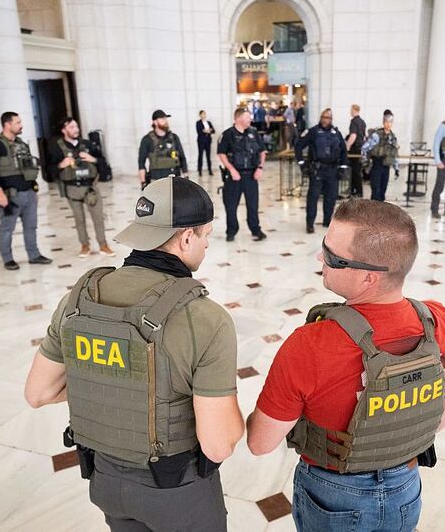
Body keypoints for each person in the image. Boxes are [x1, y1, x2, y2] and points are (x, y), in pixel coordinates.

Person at [24, 177, 244, 532]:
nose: (205, 246)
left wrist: (117, 383)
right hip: (176, 492)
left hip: (105, 483)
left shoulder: (79, 298)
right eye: (206, 236)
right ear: (187, 237)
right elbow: (218, 445)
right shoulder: (206, 318)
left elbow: (38, 393)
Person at [245, 199, 445, 532]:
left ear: (368, 278)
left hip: (333, 495)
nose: (321, 258)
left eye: (333, 257)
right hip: (406, 487)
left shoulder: (311, 344)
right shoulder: (441, 322)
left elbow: (260, 444)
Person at [0, 111, 52, 270]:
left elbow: (29, 169)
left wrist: (34, 190)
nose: (21, 125)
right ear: (7, 124)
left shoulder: (21, 144)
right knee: (7, 228)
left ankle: (34, 255)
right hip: (9, 195)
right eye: (18, 123)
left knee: (31, 226)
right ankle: (8, 259)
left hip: (28, 193)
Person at [47, 117, 115, 258]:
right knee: (79, 219)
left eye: (76, 126)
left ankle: (103, 245)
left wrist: (93, 159)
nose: (75, 129)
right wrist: (61, 165)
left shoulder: (88, 144)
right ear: (63, 130)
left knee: (98, 217)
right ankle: (85, 245)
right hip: (72, 189)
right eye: (71, 127)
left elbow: (105, 165)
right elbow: (49, 170)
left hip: (90, 188)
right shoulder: (56, 147)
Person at [217, 108, 267, 242]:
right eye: (247, 117)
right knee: (231, 206)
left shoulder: (254, 133)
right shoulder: (227, 135)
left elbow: (262, 152)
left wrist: (260, 168)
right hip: (234, 177)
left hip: (251, 175)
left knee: (253, 205)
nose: (250, 119)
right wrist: (232, 170)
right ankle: (231, 231)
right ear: (238, 118)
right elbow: (221, 154)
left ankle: (256, 229)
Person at [296, 108, 349, 233]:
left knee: (331, 198)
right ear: (321, 118)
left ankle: (327, 221)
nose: (326, 120)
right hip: (317, 170)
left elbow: (343, 151)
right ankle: (310, 224)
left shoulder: (336, 133)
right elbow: (298, 146)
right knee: (313, 198)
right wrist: (302, 164)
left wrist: (343, 167)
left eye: (329, 118)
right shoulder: (313, 132)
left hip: (332, 170)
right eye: (324, 117)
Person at [137, 109, 188, 188]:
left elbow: (182, 158)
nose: (165, 121)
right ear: (155, 122)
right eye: (162, 119)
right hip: (156, 181)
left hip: (175, 179)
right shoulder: (147, 140)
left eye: (166, 119)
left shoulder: (174, 138)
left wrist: (186, 177)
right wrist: (143, 182)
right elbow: (141, 163)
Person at [361, 110, 400, 201]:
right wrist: (366, 163)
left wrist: (396, 168)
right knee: (376, 192)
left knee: (382, 192)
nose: (389, 124)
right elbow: (364, 148)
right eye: (387, 121)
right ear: (383, 122)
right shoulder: (376, 135)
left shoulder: (392, 137)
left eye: (390, 122)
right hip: (376, 165)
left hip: (386, 167)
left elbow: (394, 154)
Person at [346, 104, 367, 197]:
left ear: (354, 110)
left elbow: (353, 135)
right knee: (357, 170)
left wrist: (347, 147)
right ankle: (356, 190)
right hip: (360, 148)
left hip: (354, 149)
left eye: (351, 110)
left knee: (354, 171)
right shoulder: (362, 122)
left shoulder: (354, 122)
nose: (350, 111)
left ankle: (357, 191)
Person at [196, 110, 215, 177]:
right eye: (202, 114)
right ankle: (200, 171)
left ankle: (210, 170)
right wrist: (207, 131)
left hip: (208, 141)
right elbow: (199, 131)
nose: (204, 115)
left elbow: (213, 130)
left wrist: (208, 131)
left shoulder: (208, 122)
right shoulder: (198, 123)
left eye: (204, 114)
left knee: (208, 156)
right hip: (201, 141)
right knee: (200, 156)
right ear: (200, 115)